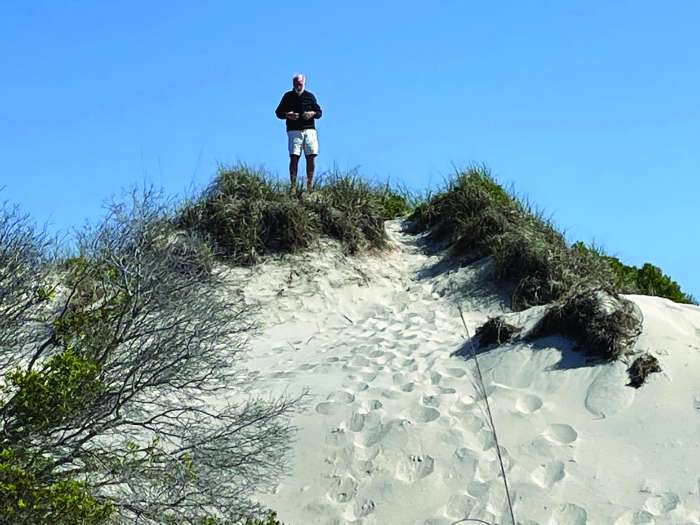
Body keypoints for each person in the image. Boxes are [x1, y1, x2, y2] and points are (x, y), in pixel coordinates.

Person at [275, 73, 322, 192]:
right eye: (296, 84)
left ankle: (309, 186)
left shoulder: (310, 96)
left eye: (300, 83)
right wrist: (288, 115)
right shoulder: (288, 96)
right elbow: (278, 113)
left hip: (309, 130)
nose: (298, 86)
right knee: (294, 157)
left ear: (304, 83)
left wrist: (312, 113)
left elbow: (319, 112)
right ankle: (293, 186)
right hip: (294, 130)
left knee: (311, 157)